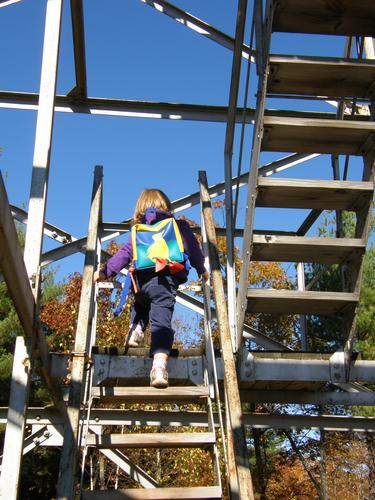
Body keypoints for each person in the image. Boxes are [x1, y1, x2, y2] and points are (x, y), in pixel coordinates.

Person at [94, 189, 209, 388]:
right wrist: (202, 269)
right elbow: (193, 249)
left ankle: (136, 329)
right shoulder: (178, 226)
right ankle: (159, 366)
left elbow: (124, 254)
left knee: (140, 304)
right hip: (164, 281)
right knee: (161, 322)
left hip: (141, 282)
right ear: (167, 207)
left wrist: (105, 271)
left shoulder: (138, 231)